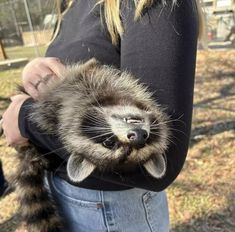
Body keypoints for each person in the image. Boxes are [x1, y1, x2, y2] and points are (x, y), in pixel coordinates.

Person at [2, 0, 202, 231]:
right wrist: (37, 72)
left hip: (108, 211)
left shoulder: (147, 5)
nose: (136, 134)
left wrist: (25, 119)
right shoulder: (70, 4)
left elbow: (165, 164)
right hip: (62, 191)